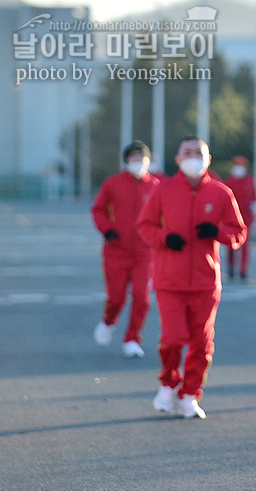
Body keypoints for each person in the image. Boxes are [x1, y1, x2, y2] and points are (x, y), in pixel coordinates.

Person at [137, 135, 247, 419]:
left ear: (208, 158)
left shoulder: (222, 193)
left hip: (206, 281)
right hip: (169, 280)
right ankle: (169, 383)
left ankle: (189, 395)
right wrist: (164, 238)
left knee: (201, 343)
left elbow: (239, 232)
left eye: (198, 152)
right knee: (172, 338)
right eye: (187, 152)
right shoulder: (163, 190)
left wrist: (218, 233)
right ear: (177, 159)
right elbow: (145, 226)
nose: (193, 157)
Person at [91, 140, 160, 358]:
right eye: (134, 159)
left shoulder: (156, 186)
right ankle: (109, 320)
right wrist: (107, 229)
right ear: (126, 161)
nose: (138, 163)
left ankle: (131, 339)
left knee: (142, 298)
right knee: (117, 298)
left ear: (149, 161)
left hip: (145, 253)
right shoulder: (113, 184)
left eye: (142, 159)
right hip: (116, 250)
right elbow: (98, 209)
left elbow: (167, 216)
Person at [222, 155, 256, 279]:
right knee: (231, 243)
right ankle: (231, 267)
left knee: (245, 244)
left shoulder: (250, 181)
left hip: (246, 218)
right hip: (231, 218)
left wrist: (255, 211)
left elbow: (254, 198)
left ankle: (243, 269)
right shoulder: (229, 182)